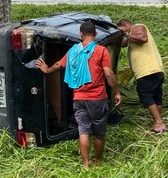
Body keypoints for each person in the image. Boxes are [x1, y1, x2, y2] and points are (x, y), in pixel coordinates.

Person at [36, 21, 121, 170]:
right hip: (98, 99)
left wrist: (46, 69)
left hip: (79, 99)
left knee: (83, 131)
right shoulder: (101, 51)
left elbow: (58, 65)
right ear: (95, 34)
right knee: (99, 133)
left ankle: (86, 164)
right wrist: (117, 92)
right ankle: (98, 162)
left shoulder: (73, 51)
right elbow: (109, 73)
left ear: (80, 34)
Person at [117, 19, 165, 133]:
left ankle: (159, 122)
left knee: (145, 95)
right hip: (156, 69)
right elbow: (123, 43)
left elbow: (143, 39)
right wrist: (120, 35)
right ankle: (158, 124)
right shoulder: (131, 36)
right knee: (156, 97)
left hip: (146, 71)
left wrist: (126, 33)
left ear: (124, 25)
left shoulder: (137, 27)